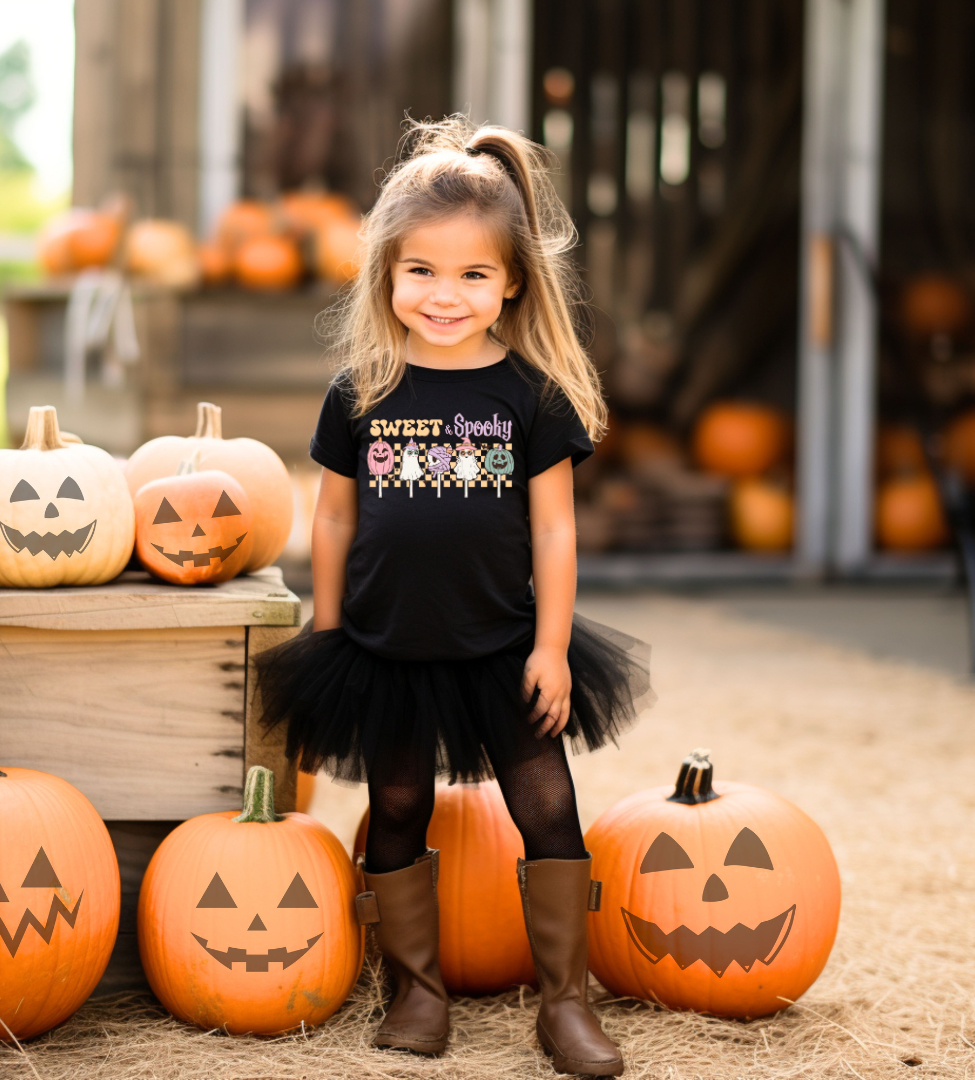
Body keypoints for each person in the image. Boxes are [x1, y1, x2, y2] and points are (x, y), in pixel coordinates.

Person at [257, 117, 654, 1077]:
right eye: (421, 272)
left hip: (500, 647)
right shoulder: (362, 391)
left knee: (548, 810)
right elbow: (338, 520)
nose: (445, 295)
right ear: (384, 275)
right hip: (388, 651)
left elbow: (554, 531)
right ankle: (418, 988)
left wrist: (552, 647)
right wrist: (333, 627)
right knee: (397, 808)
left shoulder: (531, 397)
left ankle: (565, 1004)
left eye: (473, 275)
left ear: (512, 281)